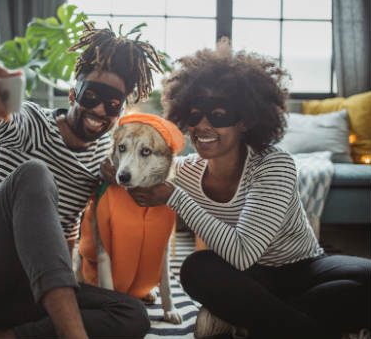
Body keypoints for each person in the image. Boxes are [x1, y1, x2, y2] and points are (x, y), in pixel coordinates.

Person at [0, 23, 164, 339]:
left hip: (28, 290)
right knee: (35, 173)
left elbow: (70, 232)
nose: (99, 110)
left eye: (112, 104)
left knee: (132, 314)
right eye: (91, 96)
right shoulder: (33, 123)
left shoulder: (105, 157)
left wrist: (122, 179)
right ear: (72, 93)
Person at [117, 39, 371, 339]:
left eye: (219, 114)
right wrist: (111, 164)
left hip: (303, 267)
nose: (203, 126)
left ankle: (260, 321)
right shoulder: (185, 171)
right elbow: (134, 173)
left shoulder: (274, 165)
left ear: (246, 121)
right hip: (246, 279)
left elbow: (242, 251)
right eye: (195, 115)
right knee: (196, 268)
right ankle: (299, 326)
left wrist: (175, 198)